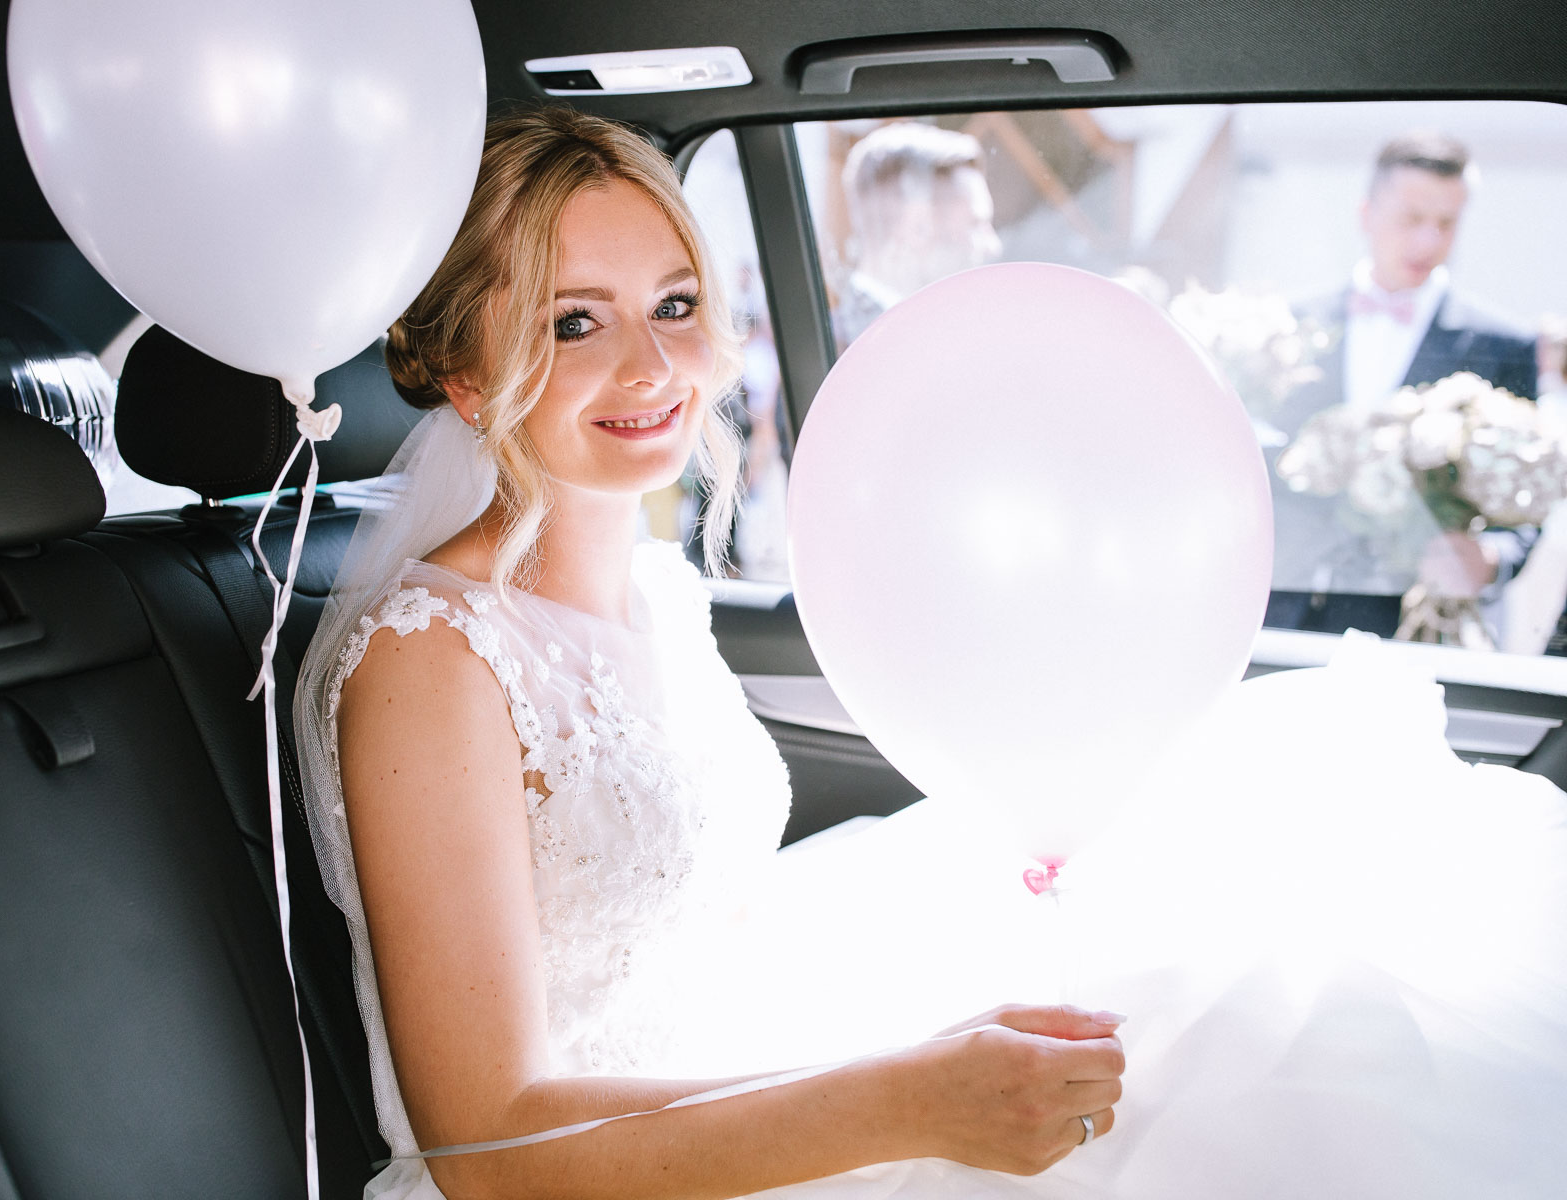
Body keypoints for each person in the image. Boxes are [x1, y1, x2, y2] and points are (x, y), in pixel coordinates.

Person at [294, 109, 1567, 1199]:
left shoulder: (661, 594)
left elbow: (712, 922)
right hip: (594, 1179)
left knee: (1245, 977)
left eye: (675, 306)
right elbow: (486, 1146)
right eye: (577, 323)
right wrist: (906, 1101)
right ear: (467, 373)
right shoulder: (433, 658)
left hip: (744, 1073)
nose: (653, 364)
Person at [1269, 131, 1540, 638]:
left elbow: (1527, 505)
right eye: (1411, 219)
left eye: (1446, 224)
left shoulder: (1505, 346)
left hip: (1412, 628)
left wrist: (1487, 559)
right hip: (1278, 612)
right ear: (1366, 214)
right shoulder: (1287, 327)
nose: (1428, 242)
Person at [833, 122, 1001, 349]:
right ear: (916, 227)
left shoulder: (945, 334)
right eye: (976, 224)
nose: (993, 245)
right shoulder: (834, 355)